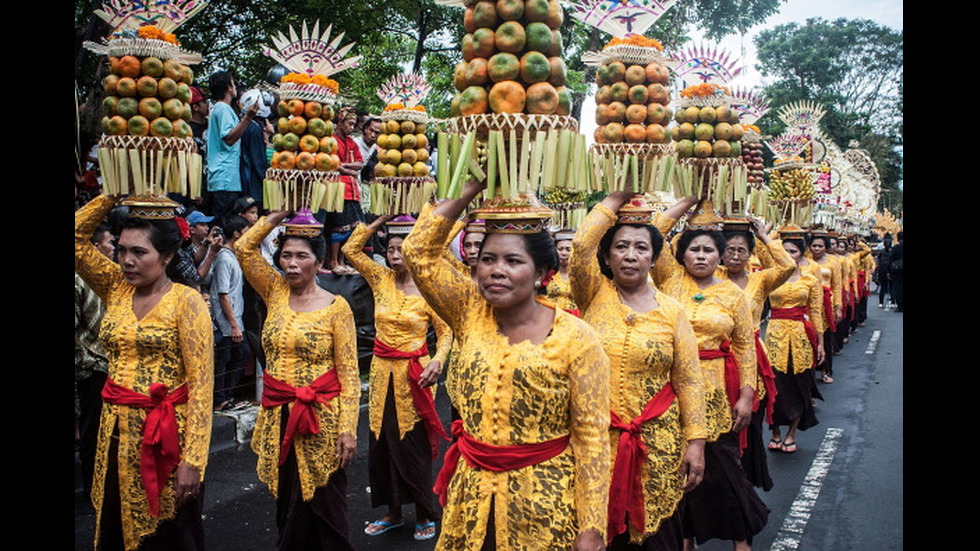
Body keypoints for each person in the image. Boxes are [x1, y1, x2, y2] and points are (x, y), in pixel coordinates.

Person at [402, 178, 611, 551]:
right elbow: (417, 250)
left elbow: (592, 437)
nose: (496, 270)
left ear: (541, 274)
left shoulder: (577, 337)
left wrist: (592, 524)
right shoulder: (468, 312)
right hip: (472, 498)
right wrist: (469, 189)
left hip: (546, 504)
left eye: (513, 261)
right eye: (488, 259)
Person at [75, 193, 214, 551]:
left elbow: (201, 386)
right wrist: (114, 194)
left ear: (167, 256)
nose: (126, 261)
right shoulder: (115, 288)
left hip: (169, 440)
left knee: (170, 533)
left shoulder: (187, 302)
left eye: (140, 252)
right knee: (114, 526)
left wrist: (193, 460)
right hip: (113, 434)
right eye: (122, 250)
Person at [570, 190, 707, 549]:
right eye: (621, 247)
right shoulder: (591, 294)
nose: (630, 256)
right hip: (595, 444)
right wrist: (616, 199)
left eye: (641, 248)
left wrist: (696, 442)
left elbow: (689, 380)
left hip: (658, 445)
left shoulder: (673, 311)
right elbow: (581, 245)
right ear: (607, 254)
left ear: (654, 257)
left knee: (656, 537)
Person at [233, 210, 361, 550]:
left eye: (301, 256)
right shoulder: (274, 292)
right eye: (286, 255)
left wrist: (349, 429)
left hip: (323, 421)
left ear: (319, 262)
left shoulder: (337, 307)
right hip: (278, 416)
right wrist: (277, 214)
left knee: (326, 508)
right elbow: (244, 248)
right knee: (287, 507)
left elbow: (348, 373)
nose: (291, 263)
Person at [651, 197, 767, 551]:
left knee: (724, 470)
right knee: (676, 468)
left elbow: (746, 347)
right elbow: (654, 232)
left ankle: (740, 539)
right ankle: (685, 539)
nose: (701, 256)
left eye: (708, 251)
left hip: (717, 390)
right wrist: (687, 202)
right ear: (681, 255)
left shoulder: (733, 294)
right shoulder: (669, 279)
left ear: (720, 257)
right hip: (671, 390)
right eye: (694, 250)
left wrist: (747, 395)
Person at [342, 215, 452, 541]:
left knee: (412, 446)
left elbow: (445, 333)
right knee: (382, 444)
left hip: (415, 375)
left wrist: (438, 361)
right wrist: (381, 218)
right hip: (381, 373)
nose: (395, 255)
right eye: (390, 249)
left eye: (402, 249)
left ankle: (424, 513)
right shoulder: (381, 279)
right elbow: (350, 249)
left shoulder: (430, 288)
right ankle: (391, 512)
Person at [719, 216, 795, 492]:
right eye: (729, 249)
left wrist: (764, 237)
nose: (735, 255)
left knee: (748, 420)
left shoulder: (760, 280)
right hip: (716, 357)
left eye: (741, 250)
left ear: (750, 254)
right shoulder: (709, 279)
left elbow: (788, 266)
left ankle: (744, 481)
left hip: (750, 356)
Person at [765, 233, 825, 454]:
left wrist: (819, 343)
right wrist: (767, 234)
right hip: (774, 337)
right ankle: (775, 433)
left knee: (799, 386)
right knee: (774, 387)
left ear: (802, 254)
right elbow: (763, 249)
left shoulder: (810, 280)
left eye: (793, 251)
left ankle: (791, 433)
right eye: (785, 251)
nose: (789, 256)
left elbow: (816, 312)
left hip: (801, 337)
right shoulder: (771, 276)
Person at [76, 222, 113, 503]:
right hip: (91, 367)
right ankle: (93, 489)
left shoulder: (114, 278)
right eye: (111, 243)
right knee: (94, 433)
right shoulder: (78, 278)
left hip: (113, 366)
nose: (114, 249)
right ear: (95, 246)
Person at [207, 71, 260, 218]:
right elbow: (229, 139)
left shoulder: (220, 108)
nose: (235, 87)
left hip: (224, 177)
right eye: (233, 83)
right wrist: (248, 119)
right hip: (224, 177)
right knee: (224, 222)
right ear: (228, 87)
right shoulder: (223, 109)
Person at [212, 215, 250, 412]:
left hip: (234, 320)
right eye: (246, 231)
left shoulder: (233, 256)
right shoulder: (224, 259)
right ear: (236, 233)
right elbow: (223, 294)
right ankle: (221, 399)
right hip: (226, 321)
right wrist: (233, 324)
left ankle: (227, 396)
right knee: (224, 360)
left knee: (239, 355)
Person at [324, 106, 365, 275]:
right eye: (349, 123)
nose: (352, 127)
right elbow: (331, 162)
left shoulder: (351, 142)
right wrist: (349, 170)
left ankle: (341, 260)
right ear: (340, 121)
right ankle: (333, 261)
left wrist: (345, 166)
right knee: (338, 226)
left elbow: (360, 163)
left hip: (352, 190)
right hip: (337, 189)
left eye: (354, 124)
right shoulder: (331, 140)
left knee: (350, 227)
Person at [806, 231, 843, 379]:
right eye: (813, 245)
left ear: (825, 246)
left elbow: (837, 285)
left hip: (826, 303)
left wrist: (838, 307)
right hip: (808, 303)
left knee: (826, 338)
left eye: (819, 246)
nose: (816, 249)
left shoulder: (833, 263)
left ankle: (826, 371)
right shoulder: (805, 262)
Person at [238, 90, 273, 211]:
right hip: (253, 183)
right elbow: (259, 161)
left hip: (243, 178)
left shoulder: (242, 124)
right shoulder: (254, 129)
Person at [546, 229, 579, 315]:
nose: (564, 253)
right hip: (552, 316)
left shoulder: (579, 276)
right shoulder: (547, 274)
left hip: (575, 319)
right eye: (560, 249)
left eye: (568, 249)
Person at [887, 231, 903, 312]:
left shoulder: (896, 248)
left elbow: (890, 259)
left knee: (898, 288)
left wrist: (888, 271)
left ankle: (900, 305)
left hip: (898, 270)